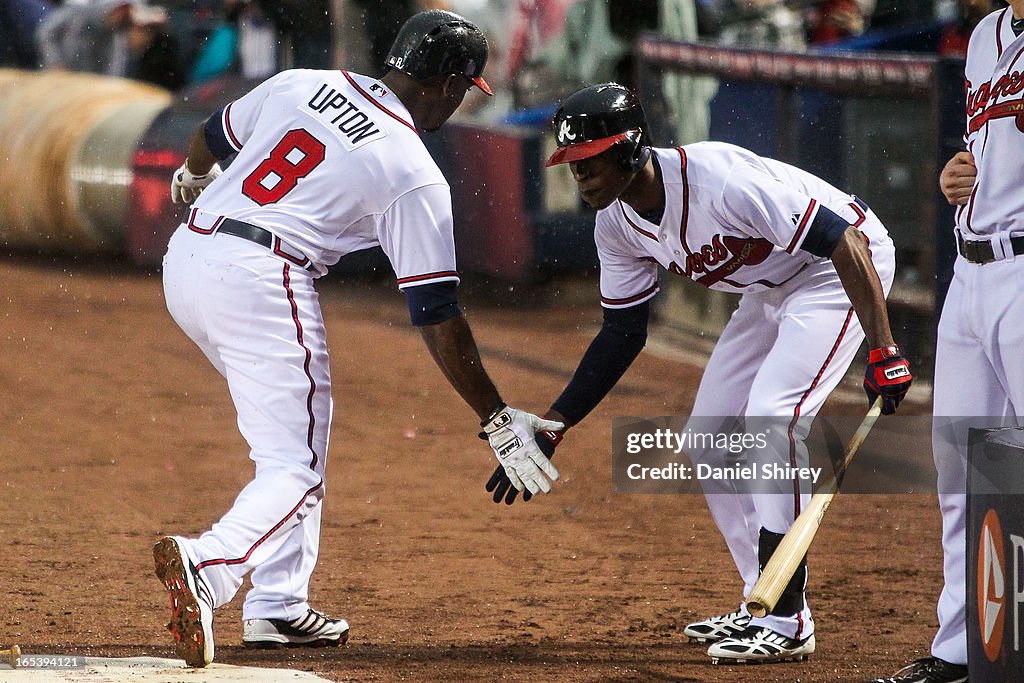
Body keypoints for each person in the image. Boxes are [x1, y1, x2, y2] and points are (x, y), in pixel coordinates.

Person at [153, 9, 561, 668]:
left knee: (292, 441)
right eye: (463, 89)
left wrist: (196, 175)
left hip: (190, 255)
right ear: (449, 86)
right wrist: (494, 415)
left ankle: (279, 604)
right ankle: (211, 563)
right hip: (262, 277)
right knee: (295, 468)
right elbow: (437, 314)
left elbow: (210, 133)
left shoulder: (303, 82)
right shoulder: (413, 170)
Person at [486, 82, 913, 665]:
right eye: (571, 162)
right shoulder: (615, 225)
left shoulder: (719, 182)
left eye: (589, 161)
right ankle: (761, 599)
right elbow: (622, 333)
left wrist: (884, 350)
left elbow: (843, 238)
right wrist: (557, 423)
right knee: (707, 438)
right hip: (770, 289)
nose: (578, 176)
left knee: (772, 419)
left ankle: (789, 619)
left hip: (835, 269)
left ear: (630, 149)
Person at [866, 2, 1024, 682]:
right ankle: (967, 651)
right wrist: (959, 177)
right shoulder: (988, 35)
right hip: (971, 270)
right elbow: (987, 149)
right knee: (963, 466)